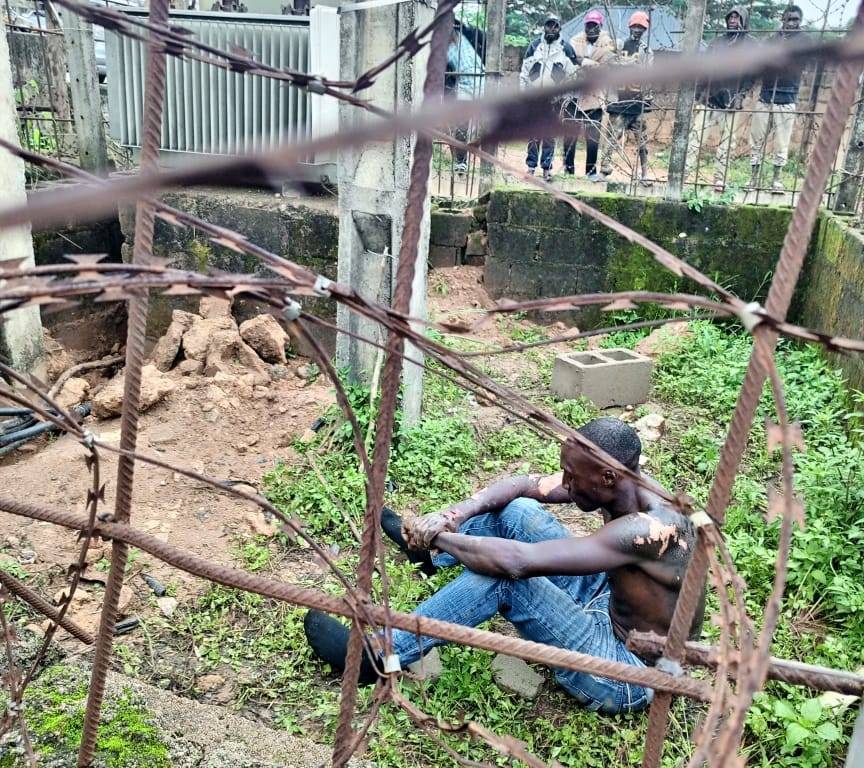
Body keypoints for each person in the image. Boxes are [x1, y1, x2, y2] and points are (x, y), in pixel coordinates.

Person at [303, 418, 705, 714]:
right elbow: (524, 485)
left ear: (607, 477)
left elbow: (517, 564)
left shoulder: (651, 528)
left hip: (631, 671)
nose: (565, 483)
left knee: (504, 580)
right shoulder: (622, 483)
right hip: (610, 601)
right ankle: (426, 557)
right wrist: (453, 516)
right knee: (519, 511)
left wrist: (438, 535)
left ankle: (379, 657)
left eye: (571, 476)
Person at [687, 6, 755, 191]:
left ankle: (719, 178)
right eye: (730, 17)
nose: (733, 21)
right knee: (696, 137)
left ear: (744, 21)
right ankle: (685, 172)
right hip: (711, 98)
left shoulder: (749, 45)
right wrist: (699, 95)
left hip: (732, 101)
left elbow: (751, 75)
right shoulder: (717, 43)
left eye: (737, 17)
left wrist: (741, 95)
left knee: (727, 143)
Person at [748, 5, 804, 192]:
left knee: (781, 142)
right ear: (782, 20)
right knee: (756, 138)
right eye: (788, 19)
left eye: (795, 20)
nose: (791, 23)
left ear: (800, 21)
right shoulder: (772, 39)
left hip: (787, 97)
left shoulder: (804, 40)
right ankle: (753, 178)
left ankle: (776, 180)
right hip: (766, 95)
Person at [519, 15, 581, 181]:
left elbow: (573, 76)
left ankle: (546, 168)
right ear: (544, 27)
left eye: (555, 26)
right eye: (549, 25)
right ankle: (531, 167)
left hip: (554, 100)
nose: (551, 29)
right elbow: (524, 73)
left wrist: (566, 97)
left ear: (560, 28)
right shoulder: (534, 46)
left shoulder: (566, 49)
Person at [600, 11, 654, 185]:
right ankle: (604, 171)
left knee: (642, 142)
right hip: (619, 98)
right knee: (611, 138)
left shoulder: (646, 51)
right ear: (630, 27)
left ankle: (644, 173)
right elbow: (607, 60)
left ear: (645, 30)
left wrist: (648, 95)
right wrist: (629, 64)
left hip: (637, 100)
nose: (637, 30)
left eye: (641, 27)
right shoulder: (619, 44)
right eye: (635, 26)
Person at [564, 10, 616, 179]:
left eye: (595, 26)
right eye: (588, 25)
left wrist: (583, 62)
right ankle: (568, 170)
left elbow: (606, 68)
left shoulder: (608, 44)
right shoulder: (575, 41)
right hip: (574, 95)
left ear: (600, 27)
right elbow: (570, 63)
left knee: (592, 137)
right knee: (569, 135)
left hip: (595, 96)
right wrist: (588, 64)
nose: (591, 29)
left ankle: (591, 172)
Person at [445, 22, 486, 175]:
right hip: (464, 85)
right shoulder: (443, 48)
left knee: (486, 123)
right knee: (461, 126)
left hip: (483, 79)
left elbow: (483, 38)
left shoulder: (468, 36)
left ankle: (485, 161)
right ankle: (461, 161)